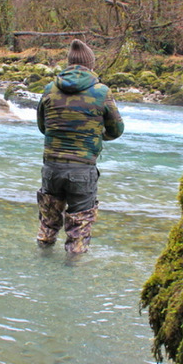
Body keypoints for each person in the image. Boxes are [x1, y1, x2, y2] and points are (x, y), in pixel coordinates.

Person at [36, 39, 124, 254]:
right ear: (91, 64)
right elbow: (116, 129)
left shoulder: (50, 89)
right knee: (79, 229)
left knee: (48, 224)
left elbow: (42, 126)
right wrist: (94, 136)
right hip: (82, 169)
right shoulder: (101, 91)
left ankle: (41, 266)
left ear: (69, 63)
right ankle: (73, 276)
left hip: (52, 167)